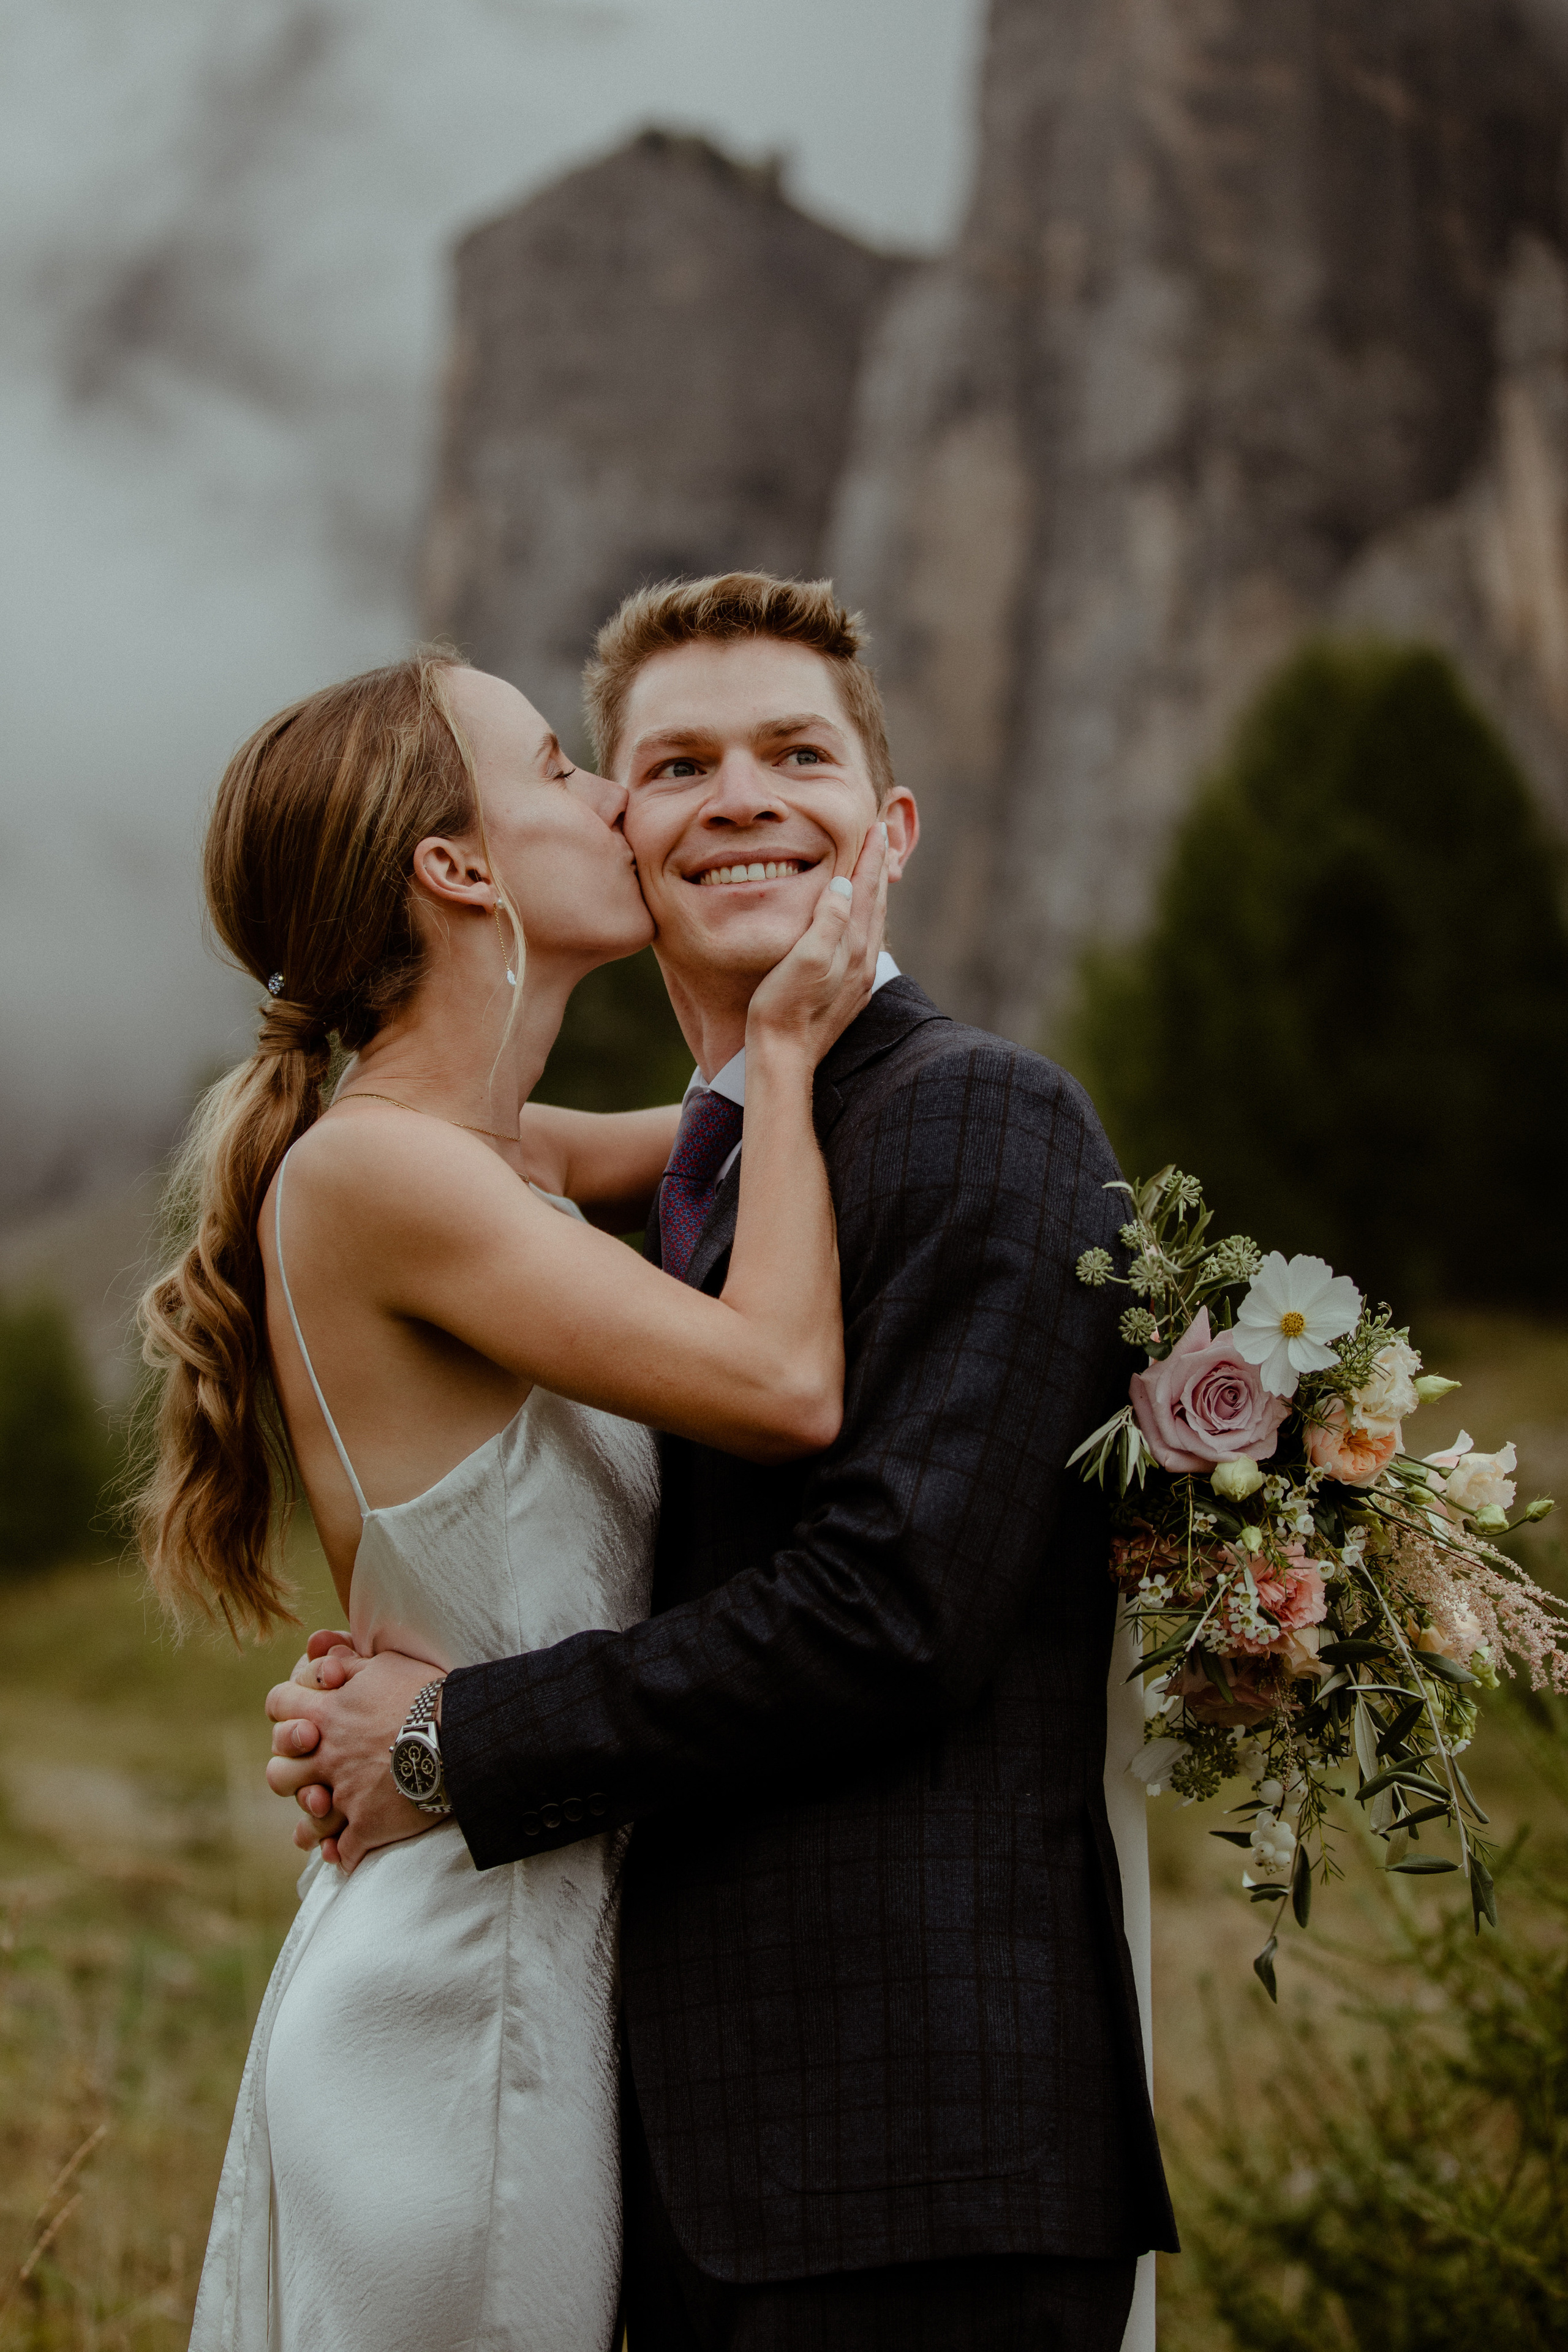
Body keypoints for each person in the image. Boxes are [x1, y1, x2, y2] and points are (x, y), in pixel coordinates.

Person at [268, 573, 1178, 2352]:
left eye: (798, 753)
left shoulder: (979, 1113)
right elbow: (460, 1150)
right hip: (661, 2156)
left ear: (889, 827)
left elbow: (894, 1611)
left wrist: (454, 1737)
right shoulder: (687, 1175)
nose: (740, 796)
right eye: (671, 764)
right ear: (616, 825)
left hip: (910, 2157)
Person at [132, 644, 888, 2352]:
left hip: (536, 1950)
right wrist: (778, 1049)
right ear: (457, 869)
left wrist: (783, 967)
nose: (618, 799)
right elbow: (782, 1383)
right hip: (463, 2004)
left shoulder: (491, 1157)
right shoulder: (385, 1171)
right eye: (561, 767)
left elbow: (699, 1143)